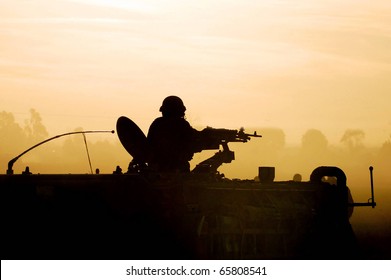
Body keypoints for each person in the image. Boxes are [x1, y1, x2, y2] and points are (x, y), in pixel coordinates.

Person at [147, 96, 202, 172]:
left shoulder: (157, 123)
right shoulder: (181, 125)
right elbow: (193, 140)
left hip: (156, 169)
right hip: (177, 170)